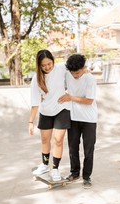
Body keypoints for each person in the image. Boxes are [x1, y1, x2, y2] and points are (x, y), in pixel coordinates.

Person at [29, 49, 71, 181]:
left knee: (58, 140)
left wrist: (85, 70)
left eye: (49, 64)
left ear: (53, 61)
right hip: (46, 112)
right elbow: (35, 103)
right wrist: (30, 122)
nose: (47, 67)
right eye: (44, 65)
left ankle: (55, 169)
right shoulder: (36, 79)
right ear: (39, 65)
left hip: (62, 109)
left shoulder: (61, 68)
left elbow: (77, 67)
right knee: (45, 140)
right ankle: (45, 165)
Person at [58, 54, 98, 189]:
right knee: (73, 148)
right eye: (73, 73)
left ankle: (86, 177)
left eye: (78, 72)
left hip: (89, 119)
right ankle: (74, 173)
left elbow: (89, 100)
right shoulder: (67, 73)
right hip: (73, 117)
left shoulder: (90, 79)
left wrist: (71, 97)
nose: (75, 75)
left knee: (88, 149)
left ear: (84, 68)